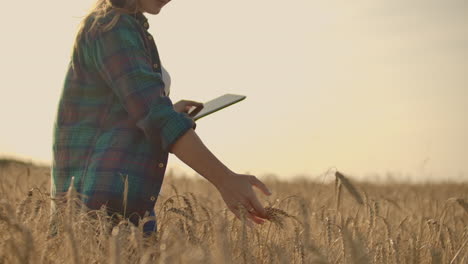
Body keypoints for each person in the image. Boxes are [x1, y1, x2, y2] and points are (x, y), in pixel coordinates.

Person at [50, 0, 271, 236]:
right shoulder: (112, 28)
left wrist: (169, 112)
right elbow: (156, 116)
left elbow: (124, 113)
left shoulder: (124, 26)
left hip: (125, 202)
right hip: (101, 205)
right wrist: (225, 179)